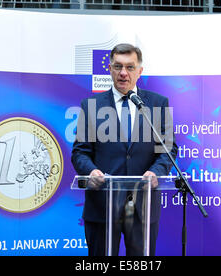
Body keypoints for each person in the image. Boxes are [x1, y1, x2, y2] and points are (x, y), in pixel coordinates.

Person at [71, 43, 177, 256]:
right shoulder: (91, 105)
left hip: (142, 207)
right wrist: (91, 171)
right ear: (109, 68)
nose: (123, 73)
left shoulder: (157, 104)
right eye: (117, 66)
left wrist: (156, 173)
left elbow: (167, 149)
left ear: (140, 71)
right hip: (102, 205)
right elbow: (80, 152)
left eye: (130, 67)